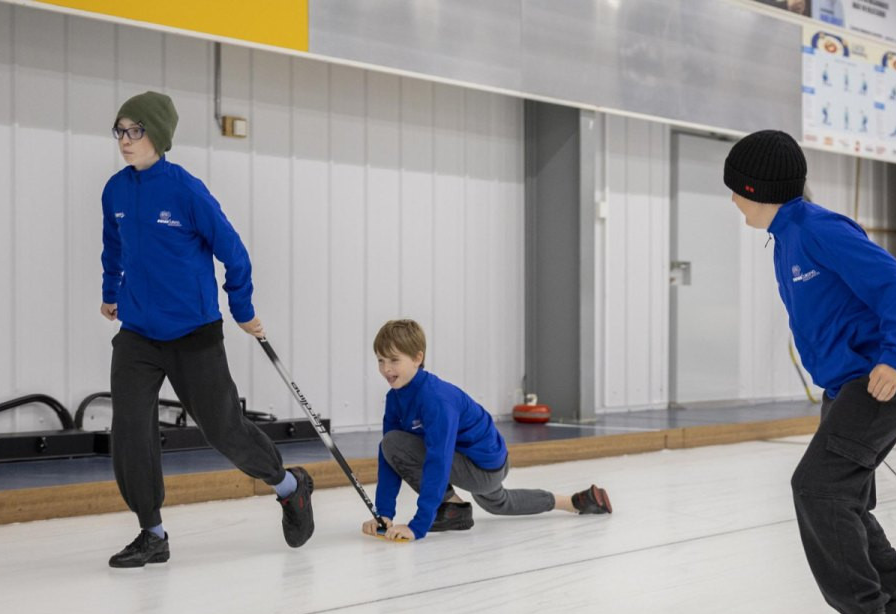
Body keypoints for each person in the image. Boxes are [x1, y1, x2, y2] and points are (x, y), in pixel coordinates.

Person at [725, 129, 896, 614]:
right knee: (846, 497)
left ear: (754, 188)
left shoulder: (815, 229)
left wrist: (893, 354)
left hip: (884, 378)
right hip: (850, 385)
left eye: (735, 191)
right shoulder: (787, 237)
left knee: (818, 489)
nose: (733, 202)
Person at [100, 91, 315, 568]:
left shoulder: (185, 190)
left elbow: (233, 252)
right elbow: (113, 246)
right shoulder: (114, 190)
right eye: (120, 130)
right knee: (131, 429)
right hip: (137, 334)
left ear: (157, 135)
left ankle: (289, 486)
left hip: (194, 332)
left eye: (135, 131)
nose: (125, 140)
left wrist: (242, 308)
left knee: (223, 429)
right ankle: (151, 532)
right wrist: (110, 292)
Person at [361, 319, 612, 542]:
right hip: (487, 463)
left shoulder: (435, 399)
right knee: (499, 503)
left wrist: (418, 526)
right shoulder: (395, 398)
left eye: (394, 360)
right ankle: (575, 502)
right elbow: (389, 461)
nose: (386, 369)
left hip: (481, 467)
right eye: (381, 360)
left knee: (393, 442)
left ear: (417, 358)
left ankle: (453, 508)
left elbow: (438, 460)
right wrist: (383, 514)